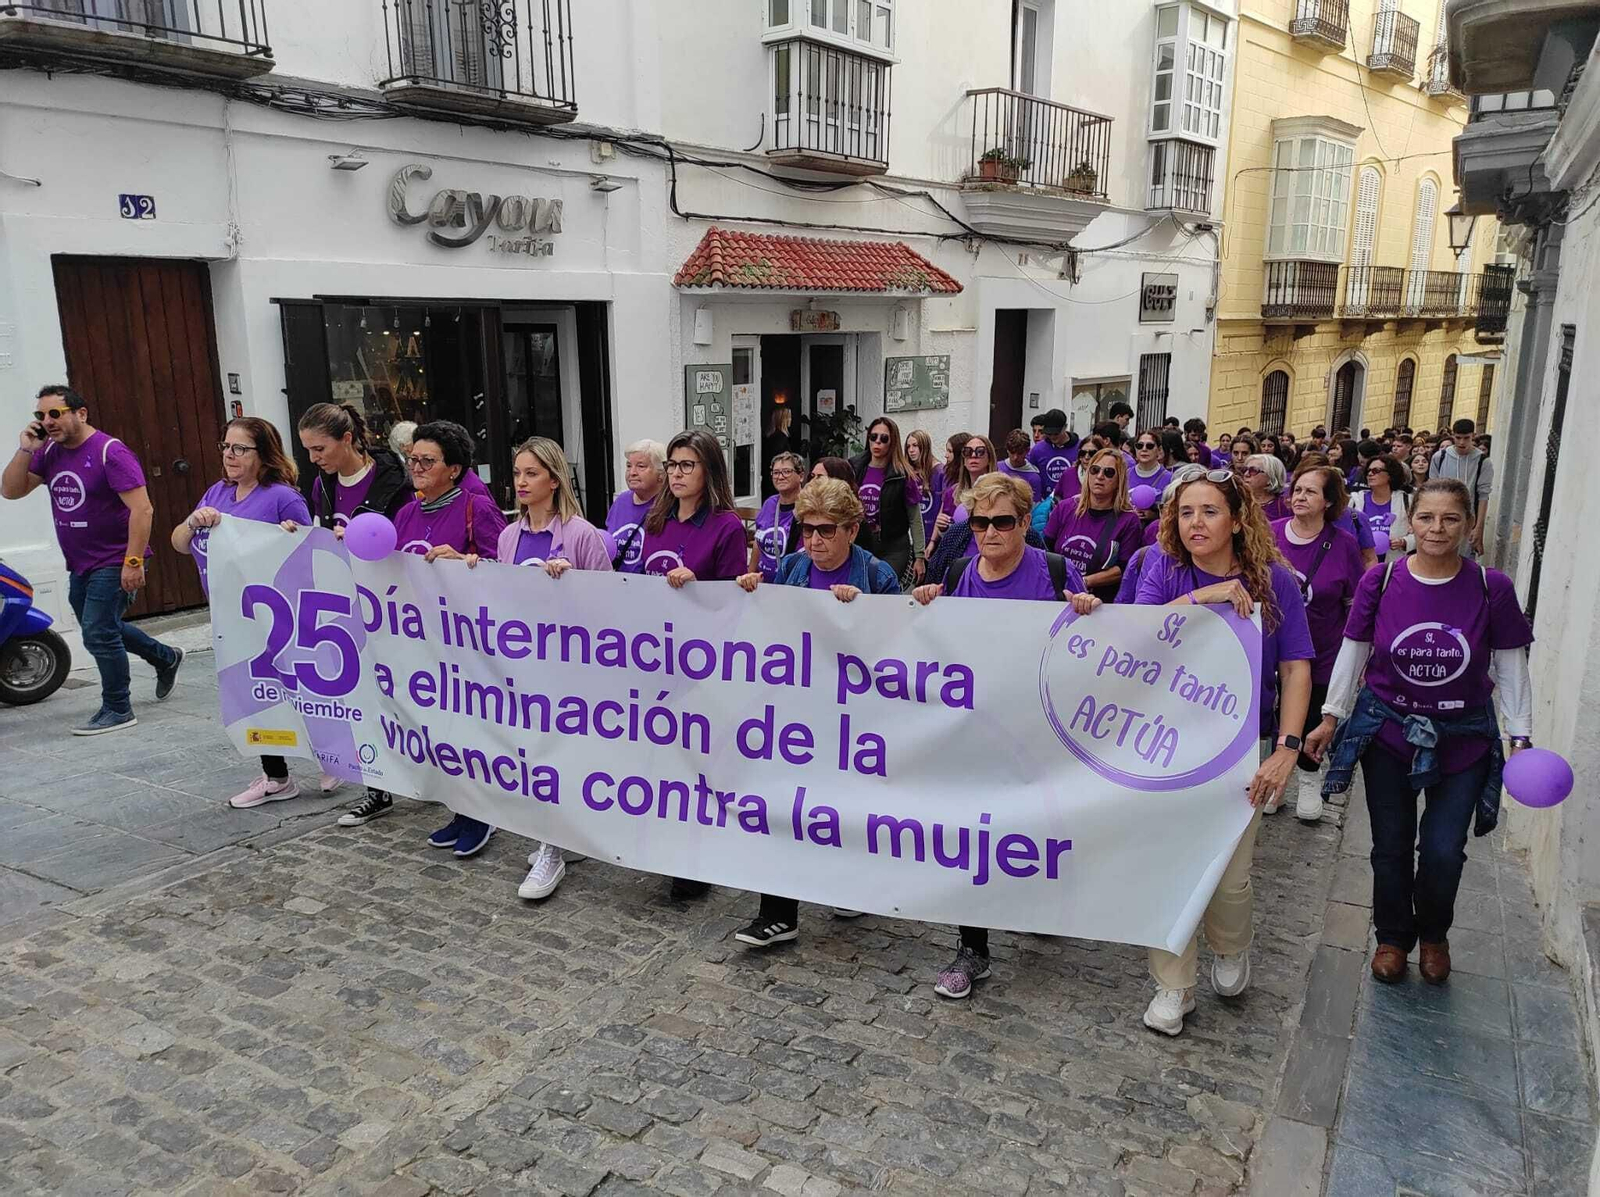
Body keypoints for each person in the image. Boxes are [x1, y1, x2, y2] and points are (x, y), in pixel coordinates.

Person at [1307, 480, 1533, 986]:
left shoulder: (1489, 586)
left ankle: (1433, 935)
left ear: (1470, 524)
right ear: (1411, 523)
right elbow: (1355, 647)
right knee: (1390, 844)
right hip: (1388, 732)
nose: (1437, 529)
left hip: (1465, 737)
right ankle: (1391, 937)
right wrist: (1331, 715)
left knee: (1442, 848)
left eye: (1450, 519)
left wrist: (1519, 736)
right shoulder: (1381, 581)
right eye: (1427, 518)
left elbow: (1512, 663)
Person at [1122, 469, 1314, 1036]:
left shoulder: (1275, 581)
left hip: (1240, 748)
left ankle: (1231, 948)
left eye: (1209, 511)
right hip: (1163, 742)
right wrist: (1202, 597)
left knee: (1230, 876)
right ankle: (1172, 985)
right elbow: (1139, 635)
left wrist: (1287, 749)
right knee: (1165, 866)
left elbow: (1297, 665)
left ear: (1236, 519)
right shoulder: (1161, 569)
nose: (1196, 523)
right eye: (1185, 513)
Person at [912, 472, 1088, 999]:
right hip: (978, 728)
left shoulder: (1056, 571)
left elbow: (1095, 651)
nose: (989, 532)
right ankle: (973, 948)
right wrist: (926, 601)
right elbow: (942, 633)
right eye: (979, 521)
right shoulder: (964, 570)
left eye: (1002, 522)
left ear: (1023, 523)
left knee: (1034, 825)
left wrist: (1088, 612)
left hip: (1039, 730)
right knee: (974, 833)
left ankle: (1040, 898)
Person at [732, 477, 900, 947]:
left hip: (853, 717)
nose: (815, 541)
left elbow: (897, 646)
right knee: (783, 806)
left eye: (826, 531)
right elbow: (769, 626)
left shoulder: (876, 575)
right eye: (807, 530)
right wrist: (752, 590)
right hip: (797, 714)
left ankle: (846, 884)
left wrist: (862, 613)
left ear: (851, 529)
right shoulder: (790, 568)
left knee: (843, 807)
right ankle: (777, 912)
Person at [2, 385, 182, 736]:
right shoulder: (49, 452)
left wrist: (133, 562)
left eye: (56, 413)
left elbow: (142, 509)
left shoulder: (109, 452)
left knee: (98, 632)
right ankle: (165, 656)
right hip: (81, 561)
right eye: (41, 415)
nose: (47, 421)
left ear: (80, 413)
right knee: (101, 627)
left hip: (114, 559)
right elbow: (11, 490)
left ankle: (118, 707)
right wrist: (26, 449)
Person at [489, 436, 613, 900]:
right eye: (518, 473)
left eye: (532, 474)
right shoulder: (508, 536)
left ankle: (552, 849)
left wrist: (571, 586)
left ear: (554, 479)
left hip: (569, 667)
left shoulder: (581, 535)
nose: (521, 482)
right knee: (531, 752)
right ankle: (554, 835)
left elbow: (610, 609)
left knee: (558, 755)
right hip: (524, 662)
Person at [170, 418, 318, 807]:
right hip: (230, 616)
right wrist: (192, 522)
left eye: (240, 449)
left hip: (274, 617)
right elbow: (179, 543)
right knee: (254, 694)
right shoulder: (217, 493)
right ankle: (278, 776)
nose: (230, 456)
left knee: (289, 689)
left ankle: (320, 757)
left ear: (263, 454)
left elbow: (307, 553)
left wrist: (285, 536)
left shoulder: (281, 497)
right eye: (226, 447)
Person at [639, 428, 748, 900]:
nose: (677, 474)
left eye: (688, 465)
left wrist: (697, 581)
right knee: (662, 757)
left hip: (701, 661)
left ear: (709, 471)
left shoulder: (725, 526)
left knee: (699, 760)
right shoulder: (657, 518)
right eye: (673, 465)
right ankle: (665, 843)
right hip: (655, 654)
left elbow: (732, 601)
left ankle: (698, 856)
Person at [395, 420, 508, 860]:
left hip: (465, 643)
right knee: (442, 732)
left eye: (427, 460)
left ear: (455, 468)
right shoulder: (406, 512)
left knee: (471, 730)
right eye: (413, 459)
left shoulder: (474, 507)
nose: (417, 467)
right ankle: (461, 809)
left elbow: (504, 568)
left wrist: (464, 561)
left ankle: (483, 813)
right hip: (421, 642)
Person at [1272, 465, 1366, 821]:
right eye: (1297, 490)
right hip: (1271, 646)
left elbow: (1354, 603)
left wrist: (1359, 658)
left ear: (1328, 501)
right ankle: (1274, 783)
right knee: (1272, 716)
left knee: (1311, 716)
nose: (1299, 497)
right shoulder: (1270, 534)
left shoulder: (1343, 545)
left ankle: (1309, 779)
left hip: (1322, 649)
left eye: (1310, 492)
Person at [296, 402, 411, 537]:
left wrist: (360, 540)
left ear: (346, 439)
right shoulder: (322, 484)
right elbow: (321, 541)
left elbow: (406, 546)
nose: (312, 458)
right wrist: (298, 535)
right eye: (308, 450)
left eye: (319, 449)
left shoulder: (394, 483)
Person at [1043, 449, 1143, 602]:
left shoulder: (1129, 520)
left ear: (1119, 481)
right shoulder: (1065, 508)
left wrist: (1082, 582)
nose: (1100, 476)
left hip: (1100, 603)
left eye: (1109, 472)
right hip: (1058, 596)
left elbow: (1122, 570)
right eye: (1094, 470)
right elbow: (1045, 551)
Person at [849, 416, 927, 580]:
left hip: (894, 546)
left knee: (884, 585)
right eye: (873, 437)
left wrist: (919, 556)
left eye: (884, 438)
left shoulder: (903, 475)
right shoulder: (854, 467)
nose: (877, 442)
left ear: (892, 442)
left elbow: (914, 517)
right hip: (860, 542)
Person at [1428, 419, 1494, 558]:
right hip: (1442, 516)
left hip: (1468, 519)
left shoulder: (1483, 461)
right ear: (1453, 436)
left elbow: (1483, 496)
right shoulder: (1440, 457)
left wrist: (1479, 528)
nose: (1462, 442)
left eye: (1466, 438)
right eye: (1458, 438)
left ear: (1473, 436)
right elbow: (1431, 490)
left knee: (1464, 561)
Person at [604, 438, 667, 574]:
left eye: (641, 466)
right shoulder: (621, 501)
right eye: (628, 466)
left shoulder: (669, 506)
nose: (632, 472)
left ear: (661, 474)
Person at [933, 434, 997, 548]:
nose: (973, 455)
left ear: (989, 457)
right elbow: (950, 537)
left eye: (980, 451)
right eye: (967, 452)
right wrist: (943, 528)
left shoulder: (1000, 492)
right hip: (960, 559)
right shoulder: (953, 493)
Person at [751, 452, 805, 581]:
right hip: (763, 584)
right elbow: (758, 543)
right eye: (775, 473)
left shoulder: (808, 506)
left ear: (801, 476)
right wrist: (750, 573)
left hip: (793, 585)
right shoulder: (769, 504)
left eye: (786, 471)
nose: (780, 477)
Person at [1350, 455, 1412, 563]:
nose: (1370, 474)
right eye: (1368, 471)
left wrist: (1404, 542)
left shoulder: (1407, 500)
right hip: (1362, 564)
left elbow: (1421, 533)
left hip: (1395, 564)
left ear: (1390, 475)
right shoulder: (1355, 501)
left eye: (1376, 470)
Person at [1027, 409, 1081, 496]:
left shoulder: (1081, 448)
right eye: (1049, 433)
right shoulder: (1037, 450)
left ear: (1065, 427)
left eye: (1056, 433)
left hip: (1072, 501)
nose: (1052, 437)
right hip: (1045, 503)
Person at [905, 429, 939, 546]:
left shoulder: (939, 472)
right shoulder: (907, 473)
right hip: (913, 537)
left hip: (934, 535)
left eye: (915, 445)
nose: (911, 450)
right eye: (908, 446)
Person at [996, 429, 1044, 503]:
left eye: (1020, 453)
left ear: (1027, 451)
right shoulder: (996, 468)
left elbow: (1035, 507)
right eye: (1012, 452)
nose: (1015, 457)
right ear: (1007, 450)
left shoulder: (1034, 477)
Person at [1242, 453, 1291, 523]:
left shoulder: (1285, 507)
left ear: (1271, 477)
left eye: (1253, 470)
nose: (1246, 474)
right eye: (1245, 469)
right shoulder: (1238, 502)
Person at [1130, 429, 1173, 498]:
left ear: (1159, 450)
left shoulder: (1170, 479)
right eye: (1139, 446)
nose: (1144, 449)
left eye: (1150, 446)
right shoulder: (1125, 475)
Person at [762, 407, 792, 496]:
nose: (791, 420)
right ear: (783, 420)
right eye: (789, 417)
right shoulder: (780, 438)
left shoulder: (771, 436)